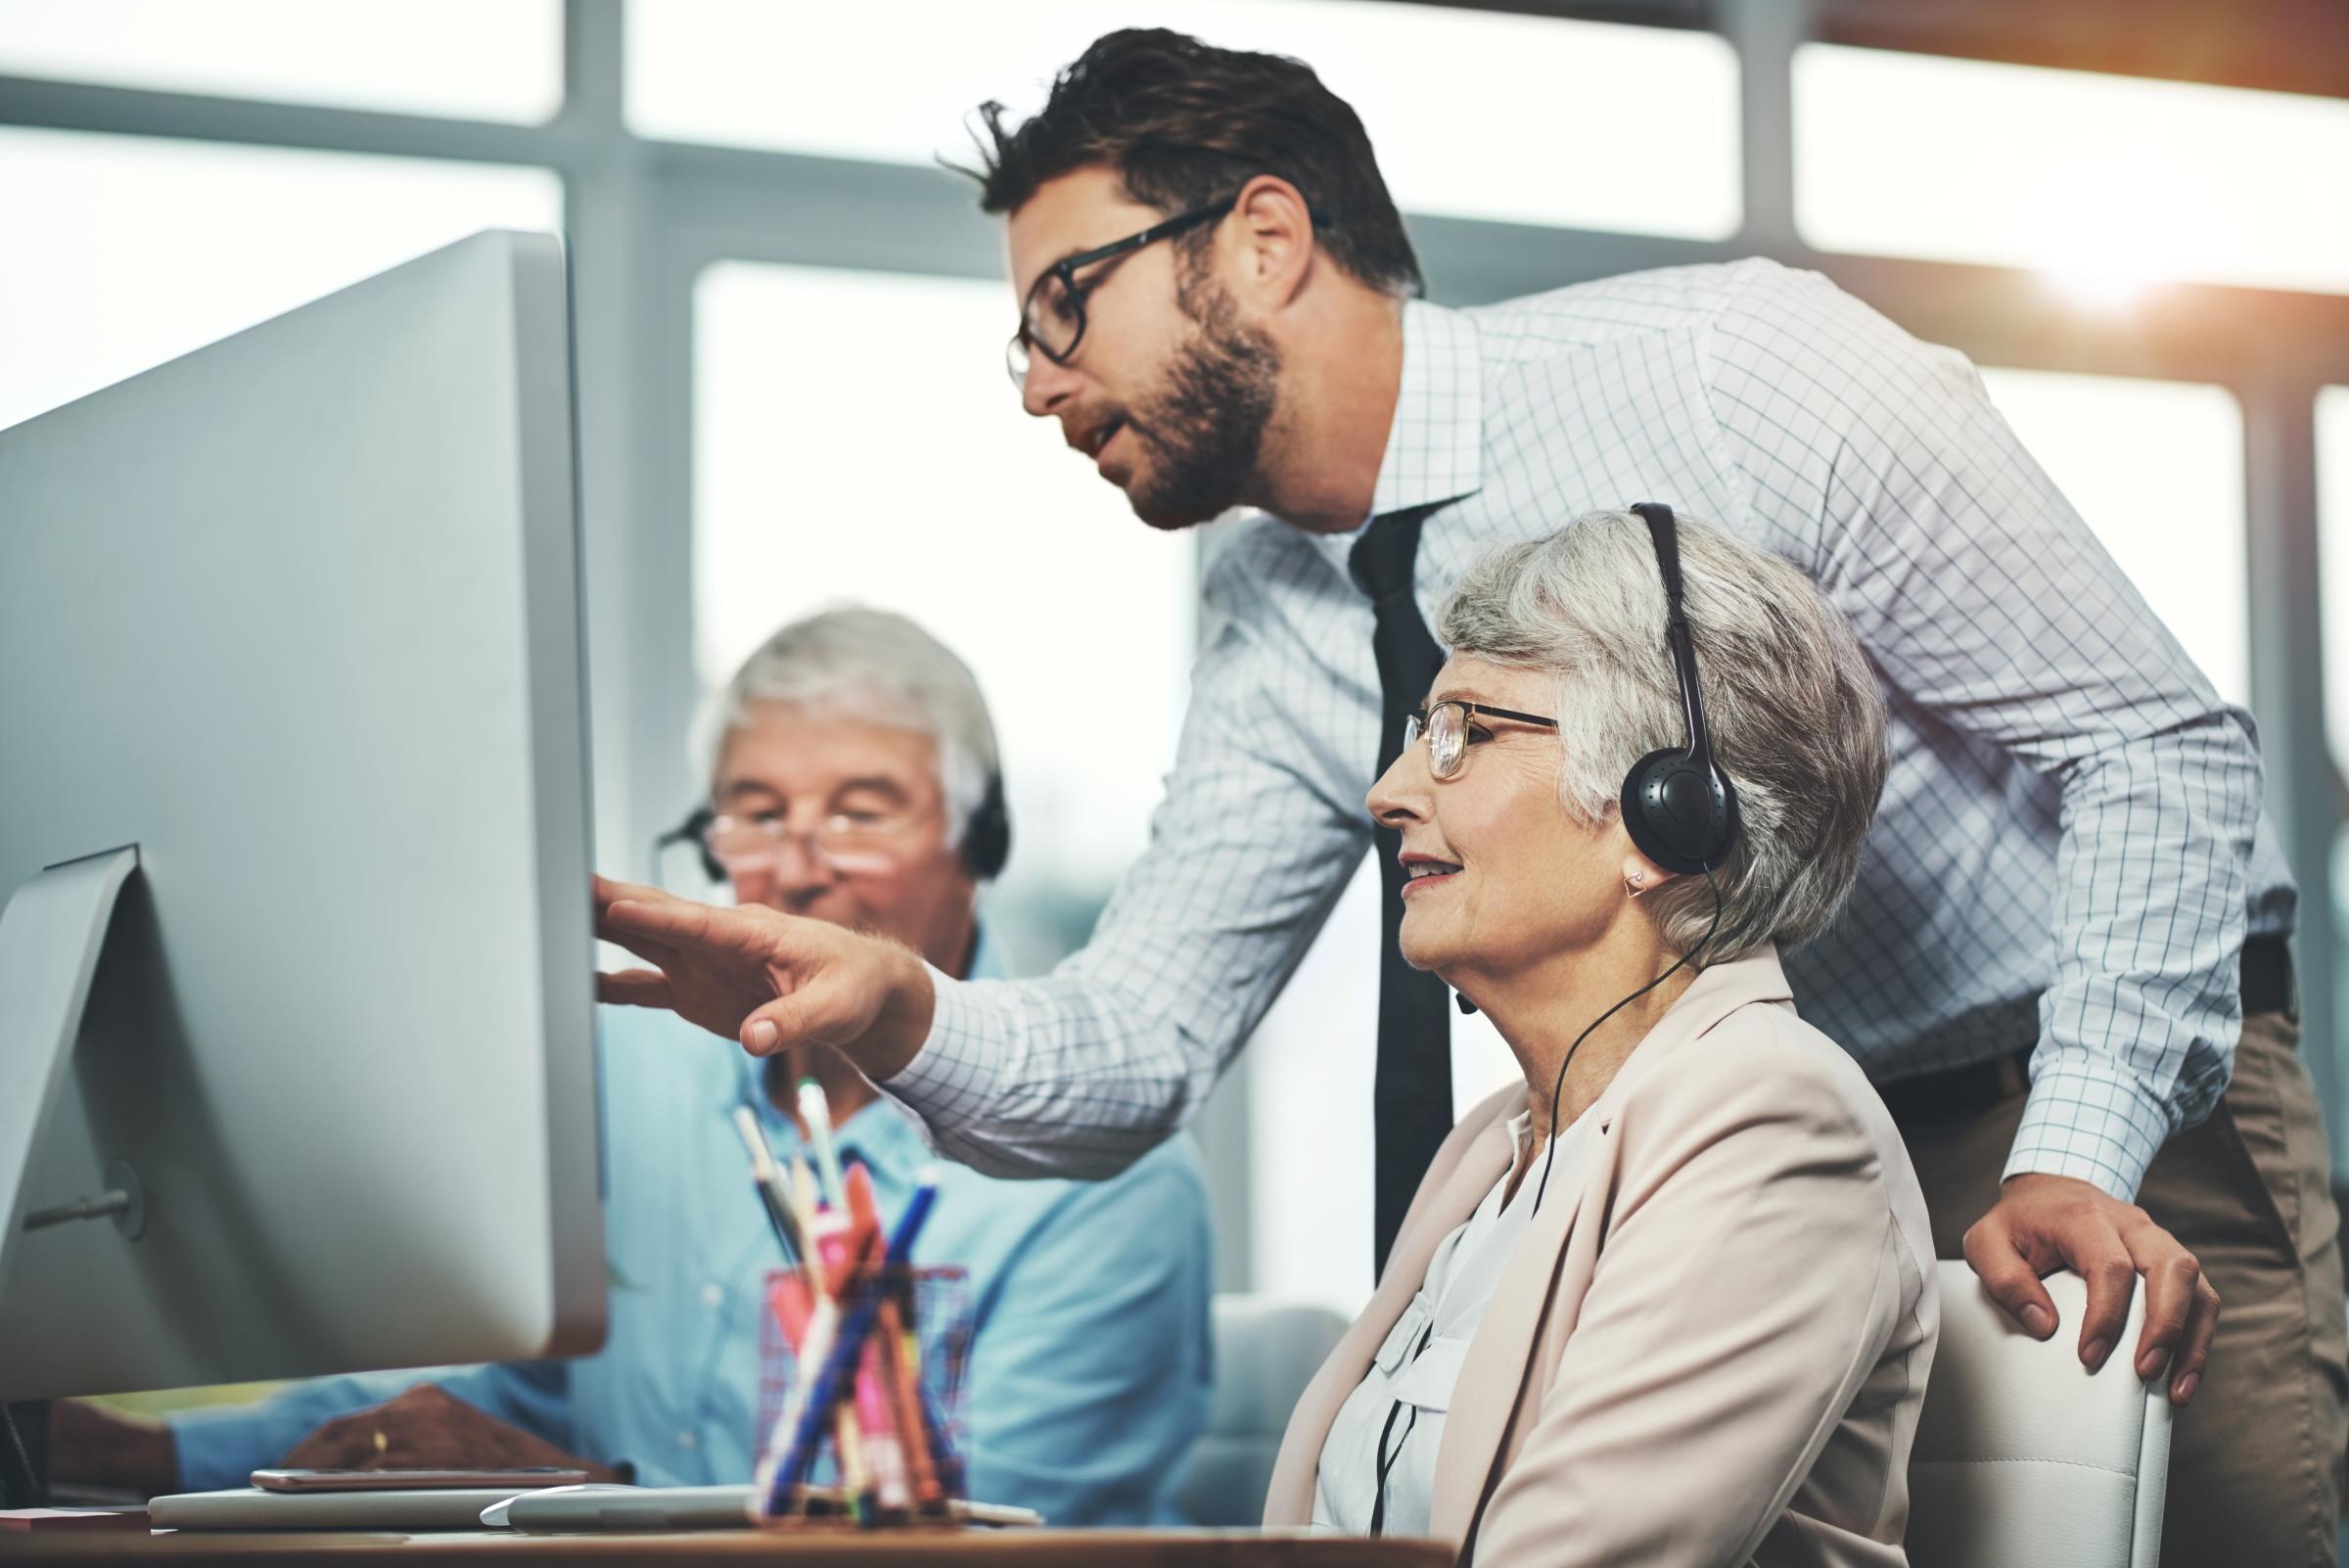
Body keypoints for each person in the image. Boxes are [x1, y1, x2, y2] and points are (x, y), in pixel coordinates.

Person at [594, 30, 2339, 1563]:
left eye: (1067, 302)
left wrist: (2079, 1141)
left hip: (2097, 1061)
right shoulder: (1273, 607)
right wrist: (905, 1010)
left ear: (1264, 239)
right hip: (1703, 1151)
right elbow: (1140, 1037)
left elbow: (2156, 744)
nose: (1042, 380)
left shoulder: (1734, 372)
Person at [56, 607, 1214, 1527]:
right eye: (754, 813)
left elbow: (1014, 1546)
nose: (798, 870)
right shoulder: (636, 1094)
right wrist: (141, 1455)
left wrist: (586, 1504)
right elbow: (519, 1395)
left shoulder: (1111, 1182)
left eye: (861, 813)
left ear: (981, 847)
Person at [1263, 508, 1934, 1564]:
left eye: (1460, 735)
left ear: (1668, 812)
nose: (1389, 793)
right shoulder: (1493, 1148)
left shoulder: (1775, 1124)